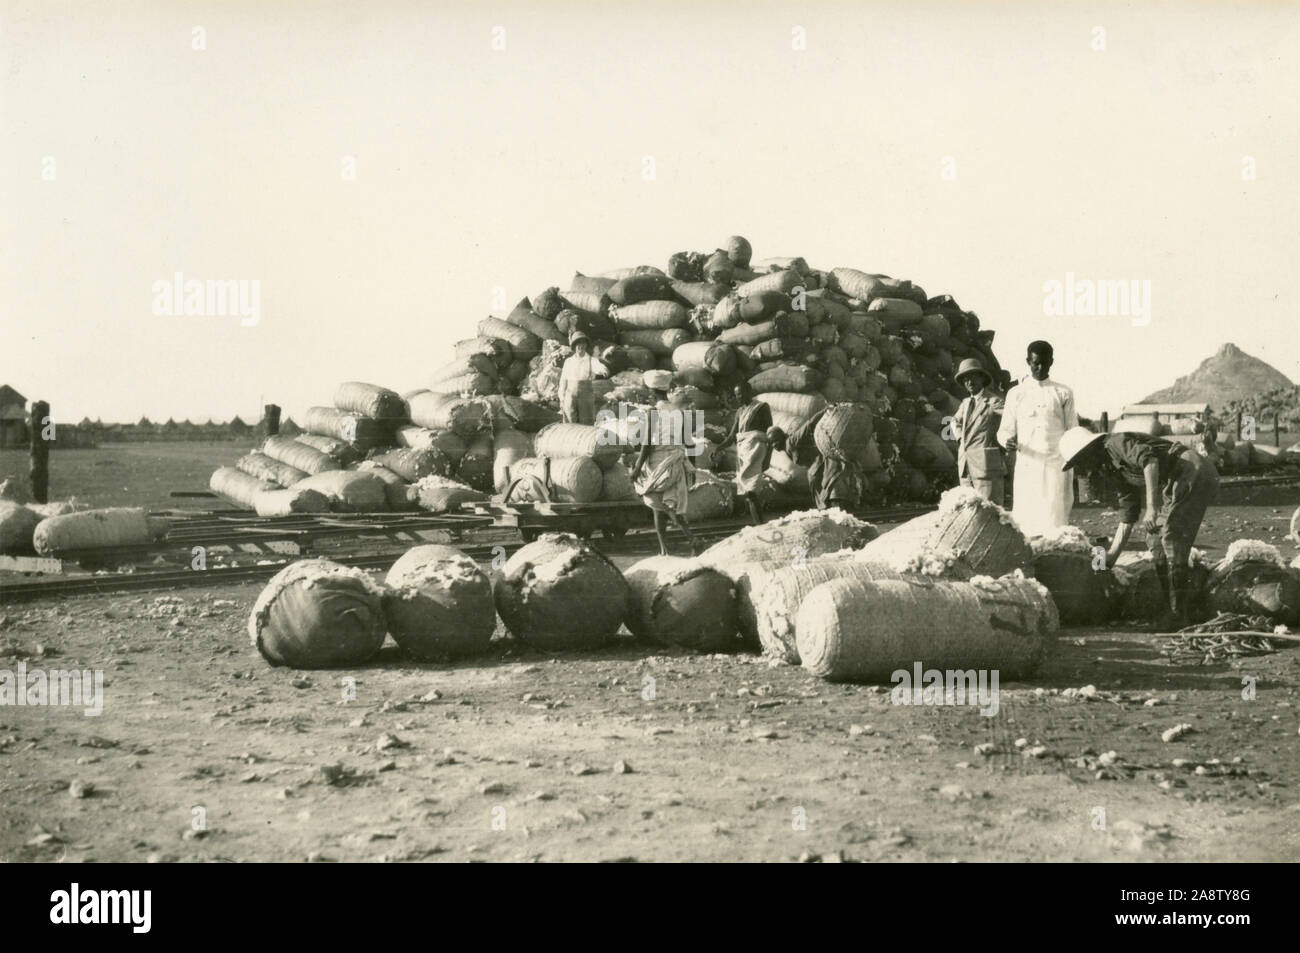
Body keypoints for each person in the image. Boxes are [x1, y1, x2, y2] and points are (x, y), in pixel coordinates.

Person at [1060, 425, 1220, 627]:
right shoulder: (1111, 470)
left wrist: (1152, 508)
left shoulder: (1115, 443)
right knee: (1154, 539)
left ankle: (1179, 614)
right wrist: (1111, 556)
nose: (1082, 468)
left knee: (1171, 536)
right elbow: (1128, 514)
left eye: (1080, 461)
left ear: (1090, 449)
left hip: (1192, 469)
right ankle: (1172, 608)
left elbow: (1150, 461)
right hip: (1177, 479)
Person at [996, 340, 1077, 535]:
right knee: (1027, 518)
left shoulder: (1063, 392)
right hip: (1028, 464)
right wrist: (1007, 440)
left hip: (1056, 464)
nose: (1040, 368)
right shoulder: (1016, 393)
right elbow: (1004, 430)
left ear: (1052, 362)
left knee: (1055, 516)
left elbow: (1072, 430)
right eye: (1035, 363)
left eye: (1045, 363)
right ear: (1028, 361)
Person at [631, 408, 700, 556]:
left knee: (658, 507)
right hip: (676, 464)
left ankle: (665, 549)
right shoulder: (680, 413)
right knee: (673, 504)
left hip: (658, 465)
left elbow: (647, 444)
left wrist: (637, 467)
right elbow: (691, 444)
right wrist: (692, 469)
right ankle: (692, 539)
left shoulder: (652, 413)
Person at [717, 383, 776, 524]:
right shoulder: (739, 412)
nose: (739, 397)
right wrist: (718, 448)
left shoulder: (762, 408)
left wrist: (768, 457)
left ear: (750, 392)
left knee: (751, 491)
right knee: (748, 493)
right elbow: (732, 436)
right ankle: (759, 525)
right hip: (743, 452)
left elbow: (770, 433)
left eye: (741, 393)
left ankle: (760, 525)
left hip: (756, 450)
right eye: (737, 394)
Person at [951, 358, 1006, 504]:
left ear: (982, 377)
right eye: (965, 378)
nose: (969, 381)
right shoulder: (965, 403)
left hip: (986, 467)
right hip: (965, 467)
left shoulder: (993, 401)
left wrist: (1005, 438)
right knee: (969, 511)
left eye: (973, 376)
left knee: (991, 512)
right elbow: (954, 421)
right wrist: (959, 439)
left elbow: (1012, 417)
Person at [558, 332, 595, 425]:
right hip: (570, 395)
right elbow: (563, 380)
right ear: (574, 346)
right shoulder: (569, 361)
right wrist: (562, 398)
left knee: (586, 424)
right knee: (570, 422)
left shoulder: (591, 360)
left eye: (583, 343)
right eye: (578, 343)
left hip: (585, 397)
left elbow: (594, 380)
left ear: (586, 345)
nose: (580, 346)